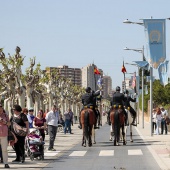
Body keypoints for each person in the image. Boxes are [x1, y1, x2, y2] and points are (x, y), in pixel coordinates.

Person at [0, 104, 10, 168]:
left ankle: (6, 163)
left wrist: (5, 122)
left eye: (1, 107)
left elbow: (9, 123)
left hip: (4, 134)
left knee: (4, 149)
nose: (0, 109)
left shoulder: (5, 115)